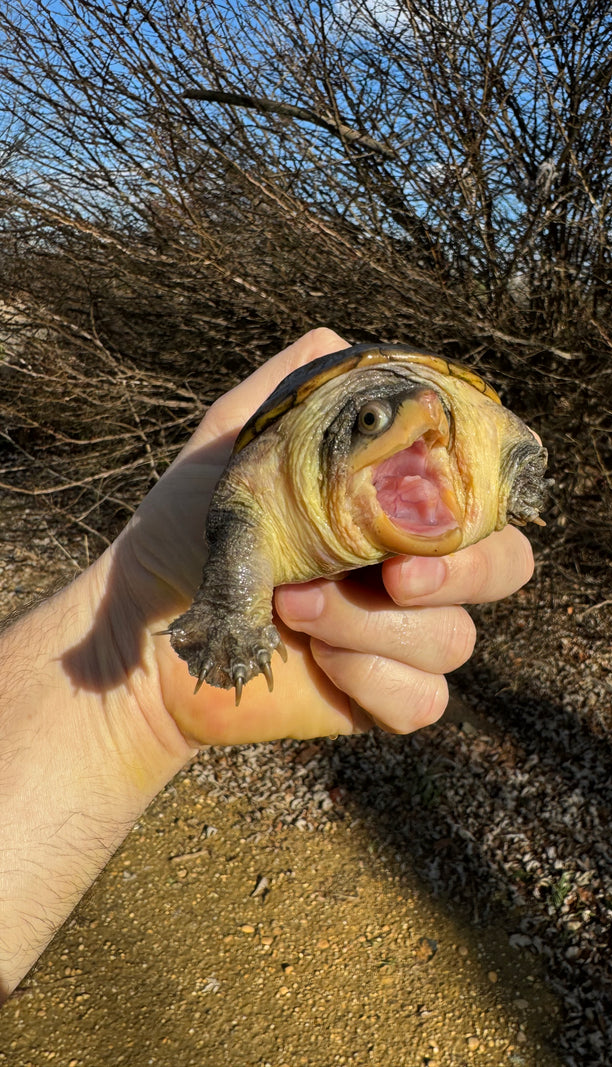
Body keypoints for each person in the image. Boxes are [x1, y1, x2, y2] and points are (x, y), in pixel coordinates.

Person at [0, 328, 535, 1001]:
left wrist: (512, 464)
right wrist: (195, 622)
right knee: (247, 532)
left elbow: (508, 429)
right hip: (295, 473)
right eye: (373, 422)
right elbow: (240, 518)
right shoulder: (278, 469)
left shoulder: (444, 407)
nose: (422, 417)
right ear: (341, 434)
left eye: (431, 416)